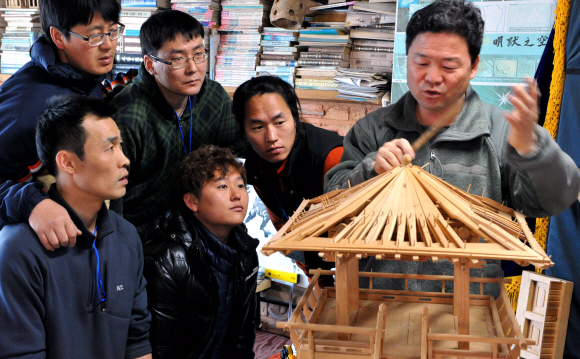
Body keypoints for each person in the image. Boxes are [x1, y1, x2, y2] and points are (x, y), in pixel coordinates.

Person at [324, 0, 580, 293]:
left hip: (470, 319)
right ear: (406, 59)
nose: (432, 77)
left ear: (473, 67)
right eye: (421, 63)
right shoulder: (372, 129)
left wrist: (532, 150)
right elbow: (332, 211)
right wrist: (370, 171)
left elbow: (552, 202)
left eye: (448, 66)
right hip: (378, 310)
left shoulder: (498, 131)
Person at [0, 95, 152, 359]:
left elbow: (137, 343)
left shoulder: (126, 237)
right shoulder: (18, 248)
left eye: (121, 146)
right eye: (110, 148)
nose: (125, 159)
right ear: (67, 162)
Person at [0, 0, 123, 251]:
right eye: (95, 35)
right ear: (58, 36)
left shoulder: (82, 72)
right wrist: (32, 202)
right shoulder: (27, 112)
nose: (109, 44)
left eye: (113, 31)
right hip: (31, 249)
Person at [111, 10, 243, 238]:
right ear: (150, 65)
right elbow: (112, 195)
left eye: (199, 55)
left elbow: (235, 157)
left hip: (203, 228)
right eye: (178, 59)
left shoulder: (213, 96)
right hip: (144, 237)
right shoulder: (127, 115)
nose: (193, 68)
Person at [143, 145, 258, 358]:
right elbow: (161, 349)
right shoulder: (167, 260)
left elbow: (244, 336)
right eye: (222, 187)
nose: (237, 195)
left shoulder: (246, 251)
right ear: (192, 201)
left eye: (241, 185)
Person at [232, 75, 344, 283]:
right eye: (257, 127)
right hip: (312, 265)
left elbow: (358, 232)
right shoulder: (255, 164)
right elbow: (278, 217)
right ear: (244, 131)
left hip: (350, 263)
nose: (272, 136)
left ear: (294, 118)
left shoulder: (331, 158)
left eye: (279, 122)